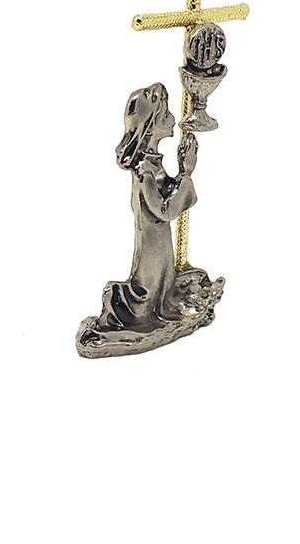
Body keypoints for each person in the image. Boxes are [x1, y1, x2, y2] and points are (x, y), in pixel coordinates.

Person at [77, 84, 223, 357]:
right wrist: (186, 173)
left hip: (160, 241)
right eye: (166, 114)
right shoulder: (144, 172)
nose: (173, 118)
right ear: (150, 127)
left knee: (163, 286)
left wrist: (181, 176)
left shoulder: (153, 164)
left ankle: (162, 308)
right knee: (149, 290)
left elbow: (168, 192)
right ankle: (133, 319)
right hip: (152, 245)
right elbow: (165, 210)